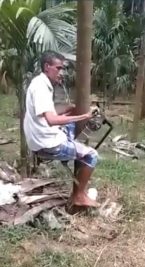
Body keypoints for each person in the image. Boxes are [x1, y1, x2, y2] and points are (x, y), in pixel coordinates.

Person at [23, 50, 100, 208]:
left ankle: (74, 151)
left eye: (63, 69)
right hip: (46, 143)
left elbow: (46, 115)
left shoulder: (40, 83)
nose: (62, 73)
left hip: (40, 137)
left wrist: (67, 110)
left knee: (70, 125)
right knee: (92, 155)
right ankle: (79, 196)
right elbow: (51, 120)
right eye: (58, 68)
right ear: (47, 66)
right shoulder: (41, 88)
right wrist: (84, 115)